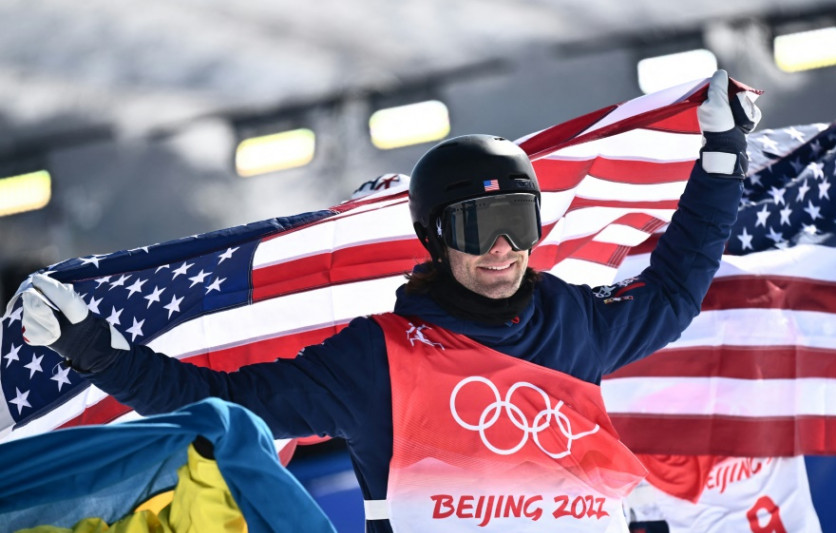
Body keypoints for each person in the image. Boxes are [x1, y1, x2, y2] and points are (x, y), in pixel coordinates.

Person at [20, 70, 760, 533]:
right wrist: (86, 342)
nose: (501, 250)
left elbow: (673, 289)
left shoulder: (574, 321)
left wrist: (723, 158)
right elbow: (214, 402)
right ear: (437, 240)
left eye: (516, 225)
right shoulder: (376, 359)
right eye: (477, 228)